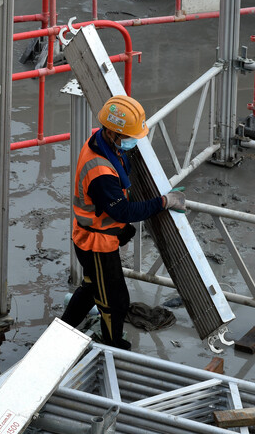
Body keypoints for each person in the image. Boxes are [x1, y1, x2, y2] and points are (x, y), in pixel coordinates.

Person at [61, 95, 185, 350]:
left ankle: (64, 328)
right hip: (96, 243)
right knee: (113, 301)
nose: (133, 141)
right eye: (129, 136)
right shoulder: (100, 171)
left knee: (91, 286)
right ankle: (113, 346)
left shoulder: (101, 142)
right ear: (113, 133)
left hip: (93, 234)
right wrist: (164, 202)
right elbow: (124, 212)